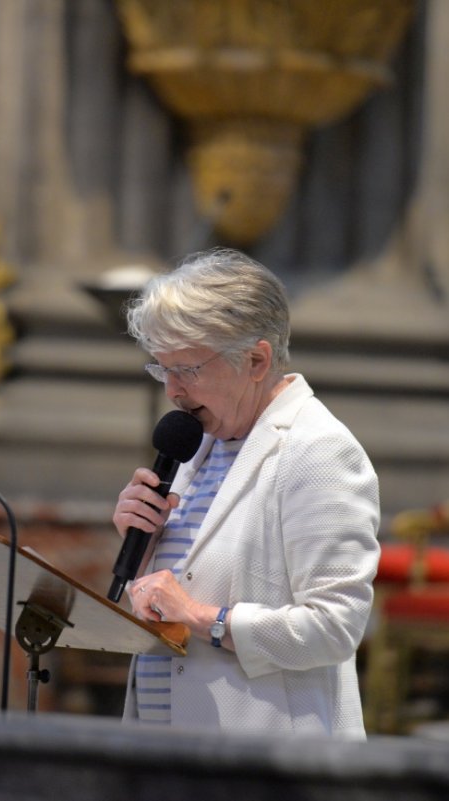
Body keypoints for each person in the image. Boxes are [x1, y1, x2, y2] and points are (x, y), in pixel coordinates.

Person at [113, 247, 381, 737]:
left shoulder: (317, 450)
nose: (172, 391)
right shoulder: (200, 444)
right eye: (161, 368)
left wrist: (201, 617)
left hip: (265, 755)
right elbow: (178, 588)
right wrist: (144, 540)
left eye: (188, 370)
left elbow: (335, 627)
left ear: (256, 360)